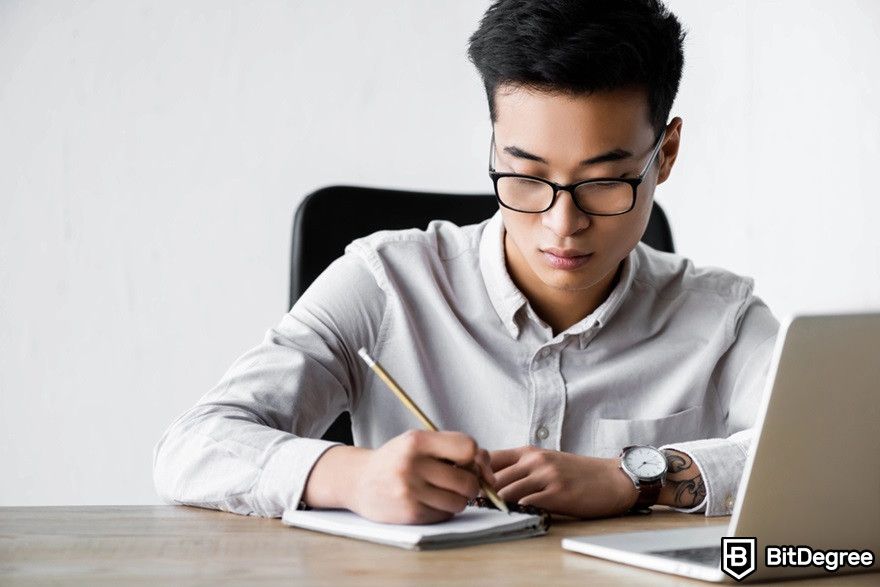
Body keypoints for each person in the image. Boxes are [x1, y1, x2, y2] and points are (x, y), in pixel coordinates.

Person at [153, 0, 778, 524]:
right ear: (492, 145)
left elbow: (842, 457)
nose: (563, 224)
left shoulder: (722, 319)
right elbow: (192, 446)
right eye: (526, 175)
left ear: (664, 155)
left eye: (605, 181)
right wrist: (352, 476)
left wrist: (635, 479)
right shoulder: (383, 284)